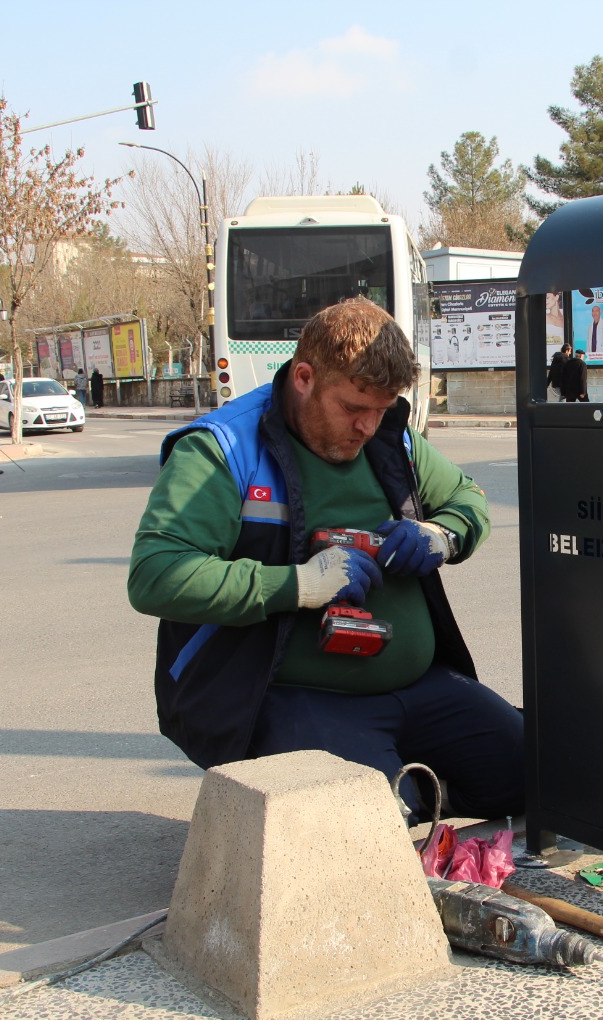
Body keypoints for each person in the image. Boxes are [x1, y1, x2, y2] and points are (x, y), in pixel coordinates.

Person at [127, 297, 522, 820]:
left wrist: (440, 536)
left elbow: (467, 499)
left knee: (550, 773)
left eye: (381, 409)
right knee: (371, 832)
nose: (367, 427)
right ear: (305, 377)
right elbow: (156, 574)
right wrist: (299, 585)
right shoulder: (221, 449)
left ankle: (415, 797)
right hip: (296, 695)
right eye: (354, 409)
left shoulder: (389, 435)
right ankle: (388, 807)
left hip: (418, 686)